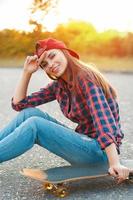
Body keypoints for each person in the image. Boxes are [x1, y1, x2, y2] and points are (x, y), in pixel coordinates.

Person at [0, 38, 130, 183]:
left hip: (101, 152)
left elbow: (103, 121)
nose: (51, 65)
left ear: (64, 52)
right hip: (85, 145)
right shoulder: (60, 85)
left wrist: (114, 163)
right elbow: (20, 105)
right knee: (29, 114)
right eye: (44, 64)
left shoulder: (85, 77)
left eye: (52, 56)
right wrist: (27, 72)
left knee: (35, 125)